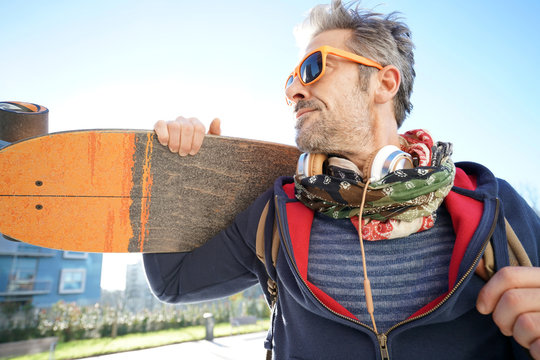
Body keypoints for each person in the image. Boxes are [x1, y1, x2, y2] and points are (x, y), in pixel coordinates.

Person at [143, 1, 540, 358]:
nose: (295, 91)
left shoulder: (495, 208)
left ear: (384, 83)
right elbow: (173, 283)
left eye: (313, 67)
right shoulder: (275, 216)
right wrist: (182, 176)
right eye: (290, 81)